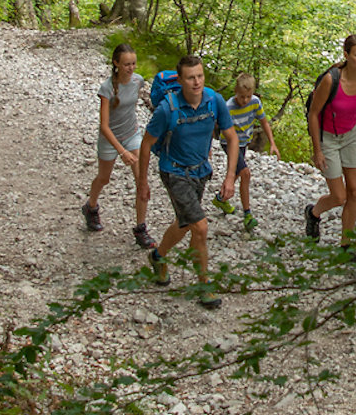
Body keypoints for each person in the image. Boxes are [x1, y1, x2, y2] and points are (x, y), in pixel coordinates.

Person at [138, 54, 238, 309]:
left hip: (200, 171)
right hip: (174, 172)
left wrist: (229, 177)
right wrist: (142, 182)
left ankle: (158, 256)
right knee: (201, 227)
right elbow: (147, 143)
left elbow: (232, 137)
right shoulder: (167, 108)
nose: (196, 82)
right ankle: (204, 285)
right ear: (180, 80)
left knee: (185, 223)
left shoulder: (214, 100)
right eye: (191, 78)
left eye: (200, 76)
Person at [304, 35, 356, 255]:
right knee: (339, 196)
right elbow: (313, 113)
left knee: (355, 191)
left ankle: (347, 246)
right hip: (328, 137)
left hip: (352, 135)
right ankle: (313, 213)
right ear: (346, 55)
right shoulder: (331, 80)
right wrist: (317, 149)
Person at [82, 44, 149, 244]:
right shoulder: (107, 88)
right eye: (126, 64)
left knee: (141, 181)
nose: (131, 68)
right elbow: (104, 126)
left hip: (132, 134)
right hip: (110, 139)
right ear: (116, 63)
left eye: (133, 64)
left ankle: (141, 228)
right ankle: (91, 206)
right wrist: (121, 152)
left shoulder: (138, 82)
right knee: (104, 178)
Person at [219, 72, 274, 230]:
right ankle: (247, 215)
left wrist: (272, 142)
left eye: (248, 96)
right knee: (245, 173)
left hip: (243, 143)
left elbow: (264, 122)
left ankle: (220, 198)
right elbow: (215, 125)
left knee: (236, 173)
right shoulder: (228, 107)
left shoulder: (255, 102)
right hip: (229, 143)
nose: (245, 100)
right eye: (242, 96)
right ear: (236, 91)